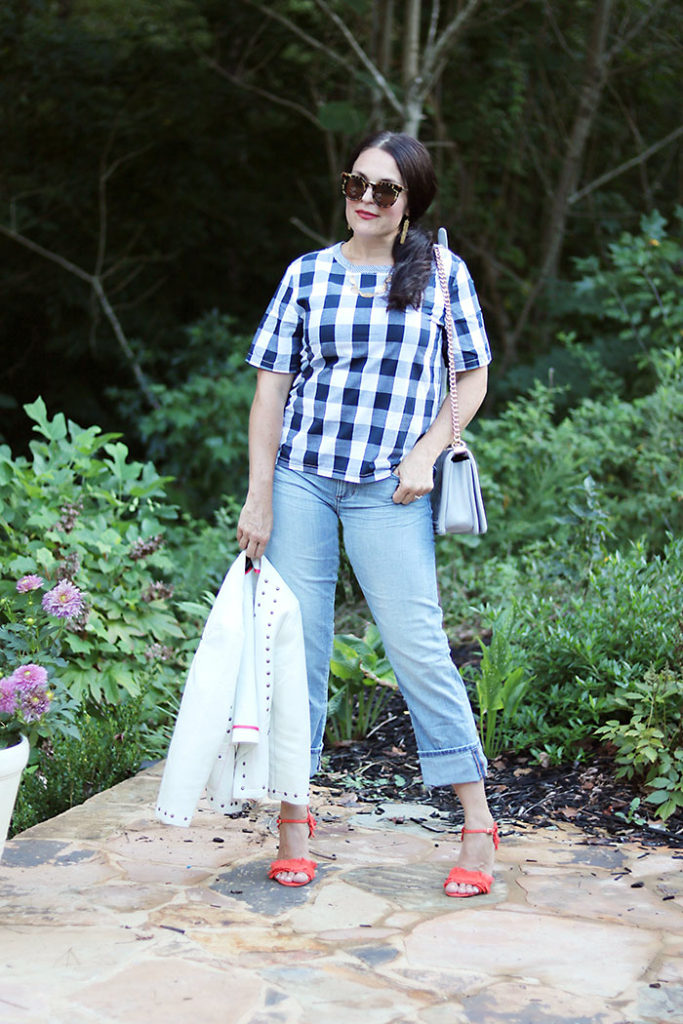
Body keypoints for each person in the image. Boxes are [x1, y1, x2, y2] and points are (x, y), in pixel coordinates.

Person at [237, 130, 498, 897]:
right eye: (356, 183)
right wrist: (259, 494)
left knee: (418, 646)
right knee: (296, 651)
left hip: (391, 489)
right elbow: (270, 392)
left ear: (409, 203)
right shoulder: (307, 275)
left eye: (384, 190)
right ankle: (293, 817)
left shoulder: (443, 275)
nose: (365, 199)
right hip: (301, 484)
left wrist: (425, 453)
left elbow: (472, 378)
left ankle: (477, 822)